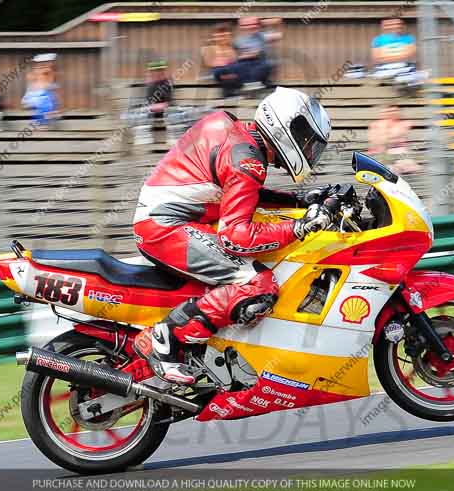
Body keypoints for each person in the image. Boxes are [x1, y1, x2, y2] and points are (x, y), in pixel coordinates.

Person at [132, 87, 333, 384]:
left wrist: (299, 202)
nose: (308, 150)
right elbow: (235, 237)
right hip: (164, 225)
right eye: (306, 140)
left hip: (164, 218)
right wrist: (300, 227)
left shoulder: (243, 142)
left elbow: (240, 190)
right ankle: (166, 338)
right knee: (258, 285)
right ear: (283, 125)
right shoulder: (247, 159)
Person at [367, 105, 420, 175]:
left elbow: (397, 138)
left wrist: (386, 137)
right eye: (388, 111)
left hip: (399, 152)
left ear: (399, 112)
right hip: (381, 153)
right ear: (382, 113)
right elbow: (374, 141)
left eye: (394, 111)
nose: (391, 113)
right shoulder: (375, 125)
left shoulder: (404, 124)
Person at [233, 16, 273, 89]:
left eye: (253, 25)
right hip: (243, 62)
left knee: (265, 66)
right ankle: (250, 86)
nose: (250, 27)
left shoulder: (261, 36)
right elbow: (237, 54)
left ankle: (255, 85)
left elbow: (257, 53)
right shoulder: (238, 39)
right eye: (246, 25)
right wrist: (244, 55)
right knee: (237, 66)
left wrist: (245, 54)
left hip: (259, 61)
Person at [22, 53, 60, 127]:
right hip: (33, 98)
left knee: (49, 99)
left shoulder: (48, 76)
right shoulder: (35, 74)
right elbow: (34, 88)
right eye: (47, 63)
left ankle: (46, 118)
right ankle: (41, 122)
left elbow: (52, 87)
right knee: (45, 102)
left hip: (42, 97)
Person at [202, 23, 240, 97]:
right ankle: (230, 94)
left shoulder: (233, 47)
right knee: (223, 70)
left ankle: (230, 94)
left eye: (225, 36)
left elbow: (236, 60)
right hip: (217, 72)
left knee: (234, 68)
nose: (222, 38)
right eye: (219, 36)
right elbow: (208, 63)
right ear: (214, 37)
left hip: (232, 72)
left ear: (230, 36)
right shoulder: (209, 48)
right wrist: (224, 62)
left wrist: (224, 61)